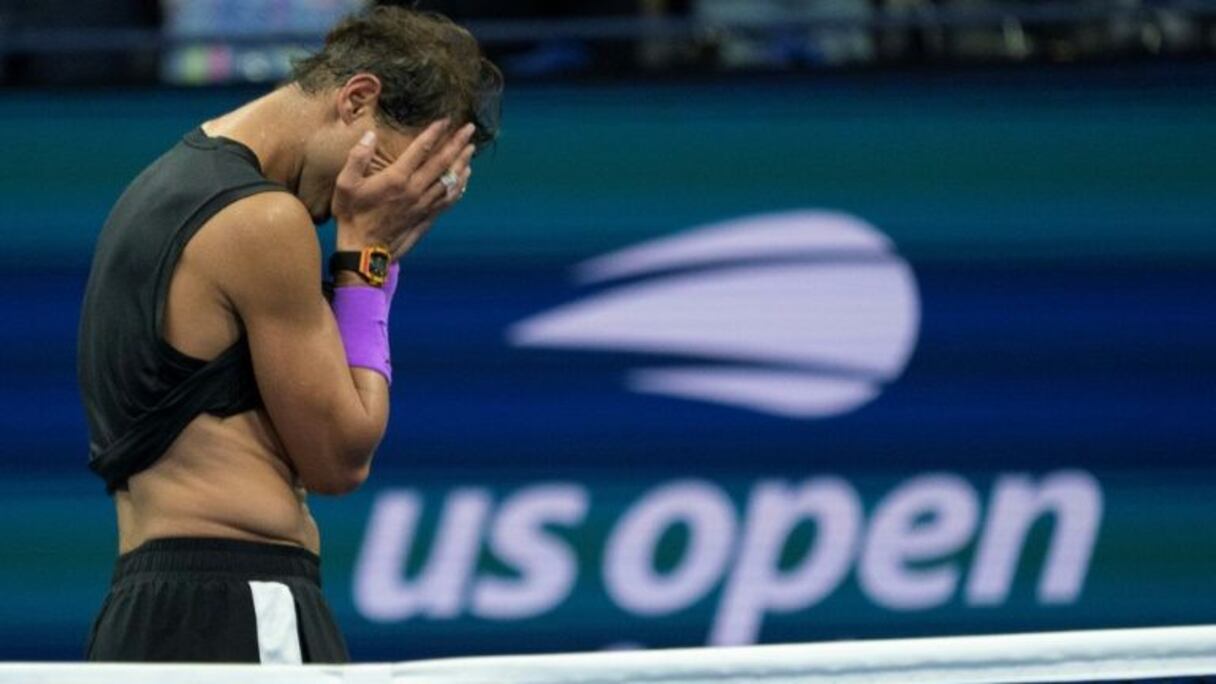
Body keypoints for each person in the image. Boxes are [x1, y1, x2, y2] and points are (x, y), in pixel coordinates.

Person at [76, 6, 502, 663]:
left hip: (144, 613)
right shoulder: (263, 221)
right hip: (239, 606)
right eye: (391, 166)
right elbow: (341, 456)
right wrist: (368, 256)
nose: (383, 195)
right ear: (357, 99)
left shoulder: (162, 188)